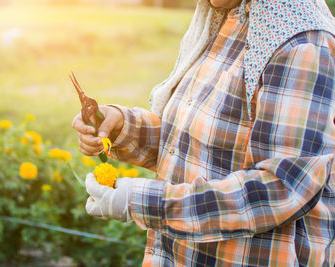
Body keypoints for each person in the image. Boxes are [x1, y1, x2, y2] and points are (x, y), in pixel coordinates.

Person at [72, 0, 335, 265]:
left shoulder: (300, 42)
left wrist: (141, 200)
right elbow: (201, 147)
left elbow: (282, 188)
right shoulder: (228, 17)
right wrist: (123, 127)